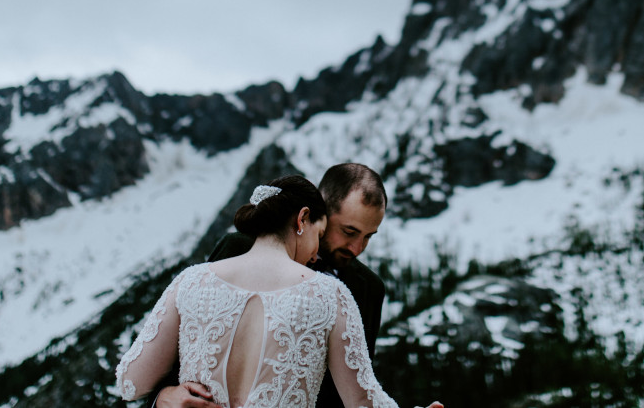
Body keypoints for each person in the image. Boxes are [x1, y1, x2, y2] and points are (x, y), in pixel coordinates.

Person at [114, 175, 439, 408]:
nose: (315, 254)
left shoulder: (190, 281)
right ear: (303, 219)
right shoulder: (332, 295)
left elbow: (129, 382)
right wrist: (165, 398)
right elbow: (362, 400)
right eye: (329, 232)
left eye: (369, 237)